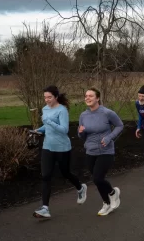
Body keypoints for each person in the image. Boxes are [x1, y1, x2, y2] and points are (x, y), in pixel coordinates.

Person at [33, 85, 87, 219]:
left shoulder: (62, 110)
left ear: (56, 97)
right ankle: (45, 208)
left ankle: (80, 188)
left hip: (62, 147)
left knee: (65, 173)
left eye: (49, 97)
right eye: (45, 97)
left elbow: (64, 130)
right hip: (47, 147)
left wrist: (49, 122)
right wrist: (38, 130)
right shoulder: (44, 109)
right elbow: (46, 125)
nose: (47, 100)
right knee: (45, 176)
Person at [78, 88, 123, 216]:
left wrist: (109, 137)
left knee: (97, 178)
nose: (87, 98)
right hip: (90, 151)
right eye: (86, 96)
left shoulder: (107, 113)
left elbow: (120, 125)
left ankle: (112, 194)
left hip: (105, 150)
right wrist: (80, 133)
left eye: (90, 96)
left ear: (97, 98)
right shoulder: (83, 115)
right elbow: (82, 136)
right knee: (98, 179)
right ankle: (107, 202)